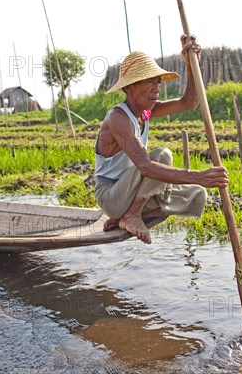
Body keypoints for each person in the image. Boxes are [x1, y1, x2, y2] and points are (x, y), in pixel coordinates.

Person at [94, 34, 229, 244]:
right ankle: (131, 214)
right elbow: (146, 167)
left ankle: (126, 216)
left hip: (131, 192)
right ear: (130, 87)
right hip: (111, 195)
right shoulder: (118, 118)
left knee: (195, 194)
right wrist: (199, 175)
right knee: (162, 155)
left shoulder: (146, 111)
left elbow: (188, 102)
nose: (157, 88)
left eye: (157, 82)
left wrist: (191, 65)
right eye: (150, 82)